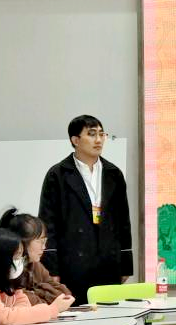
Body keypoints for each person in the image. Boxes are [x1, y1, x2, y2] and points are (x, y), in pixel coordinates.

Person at [39, 114, 133, 302]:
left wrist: (126, 264)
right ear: (75, 140)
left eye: (101, 134)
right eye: (91, 134)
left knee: (109, 313)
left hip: (108, 260)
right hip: (73, 262)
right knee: (76, 313)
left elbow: (123, 221)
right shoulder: (57, 174)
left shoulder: (114, 173)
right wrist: (51, 269)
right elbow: (48, 224)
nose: (99, 140)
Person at [0, 208, 71, 305]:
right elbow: (22, 301)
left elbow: (65, 294)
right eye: (40, 241)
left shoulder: (35, 264)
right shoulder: (9, 269)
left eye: (45, 241)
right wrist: (44, 293)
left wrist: (35, 292)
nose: (44, 247)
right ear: (22, 242)